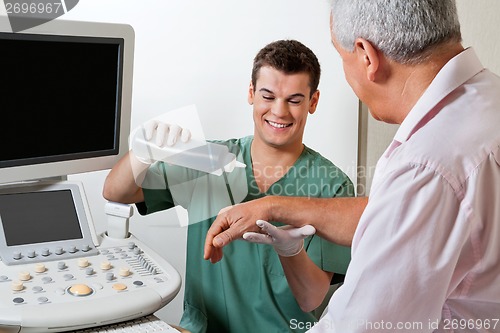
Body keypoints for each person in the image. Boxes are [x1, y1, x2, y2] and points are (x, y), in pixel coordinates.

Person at [203, 1, 500, 332]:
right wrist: (275, 207)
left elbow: (355, 325)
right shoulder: (489, 100)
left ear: (367, 56)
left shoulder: (426, 166)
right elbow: (397, 215)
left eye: (340, 56)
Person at [103, 39, 354, 333]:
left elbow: (311, 299)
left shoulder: (333, 187)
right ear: (251, 93)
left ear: (313, 101)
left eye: (294, 100)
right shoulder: (208, 161)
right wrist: (142, 153)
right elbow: (115, 192)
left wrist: (292, 252)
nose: (279, 111)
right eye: (268, 96)